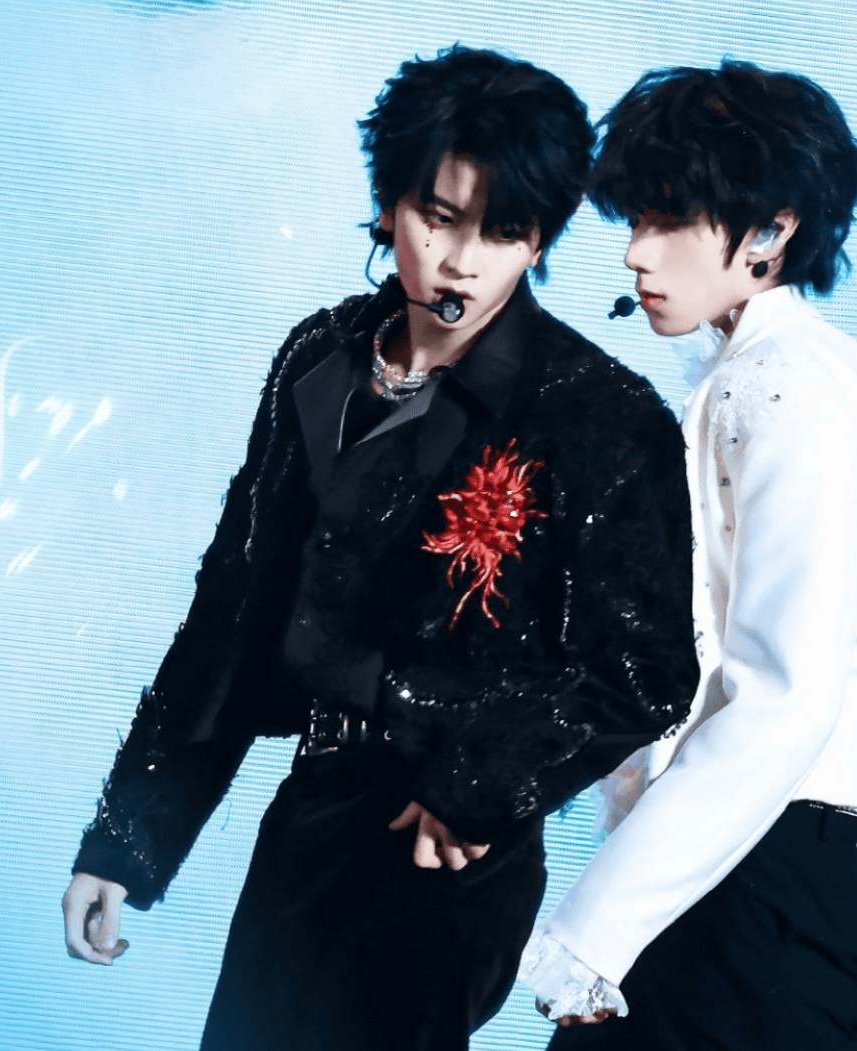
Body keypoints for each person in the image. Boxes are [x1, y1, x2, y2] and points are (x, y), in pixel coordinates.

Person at [61, 46, 701, 1051]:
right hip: (311, 812)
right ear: (388, 201)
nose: (461, 260)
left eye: (503, 232)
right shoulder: (320, 355)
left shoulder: (598, 416)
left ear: (539, 238)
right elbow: (233, 607)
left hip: (445, 852)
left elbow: (648, 669)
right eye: (438, 217)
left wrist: (480, 786)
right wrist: (128, 837)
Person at [519, 60, 857, 1051]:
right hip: (789, 895)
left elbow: (784, 697)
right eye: (635, 218)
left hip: (740, 901)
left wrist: (592, 929)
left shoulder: (778, 389)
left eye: (669, 219)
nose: (635, 252)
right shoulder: (843, 380)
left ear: (771, 230)